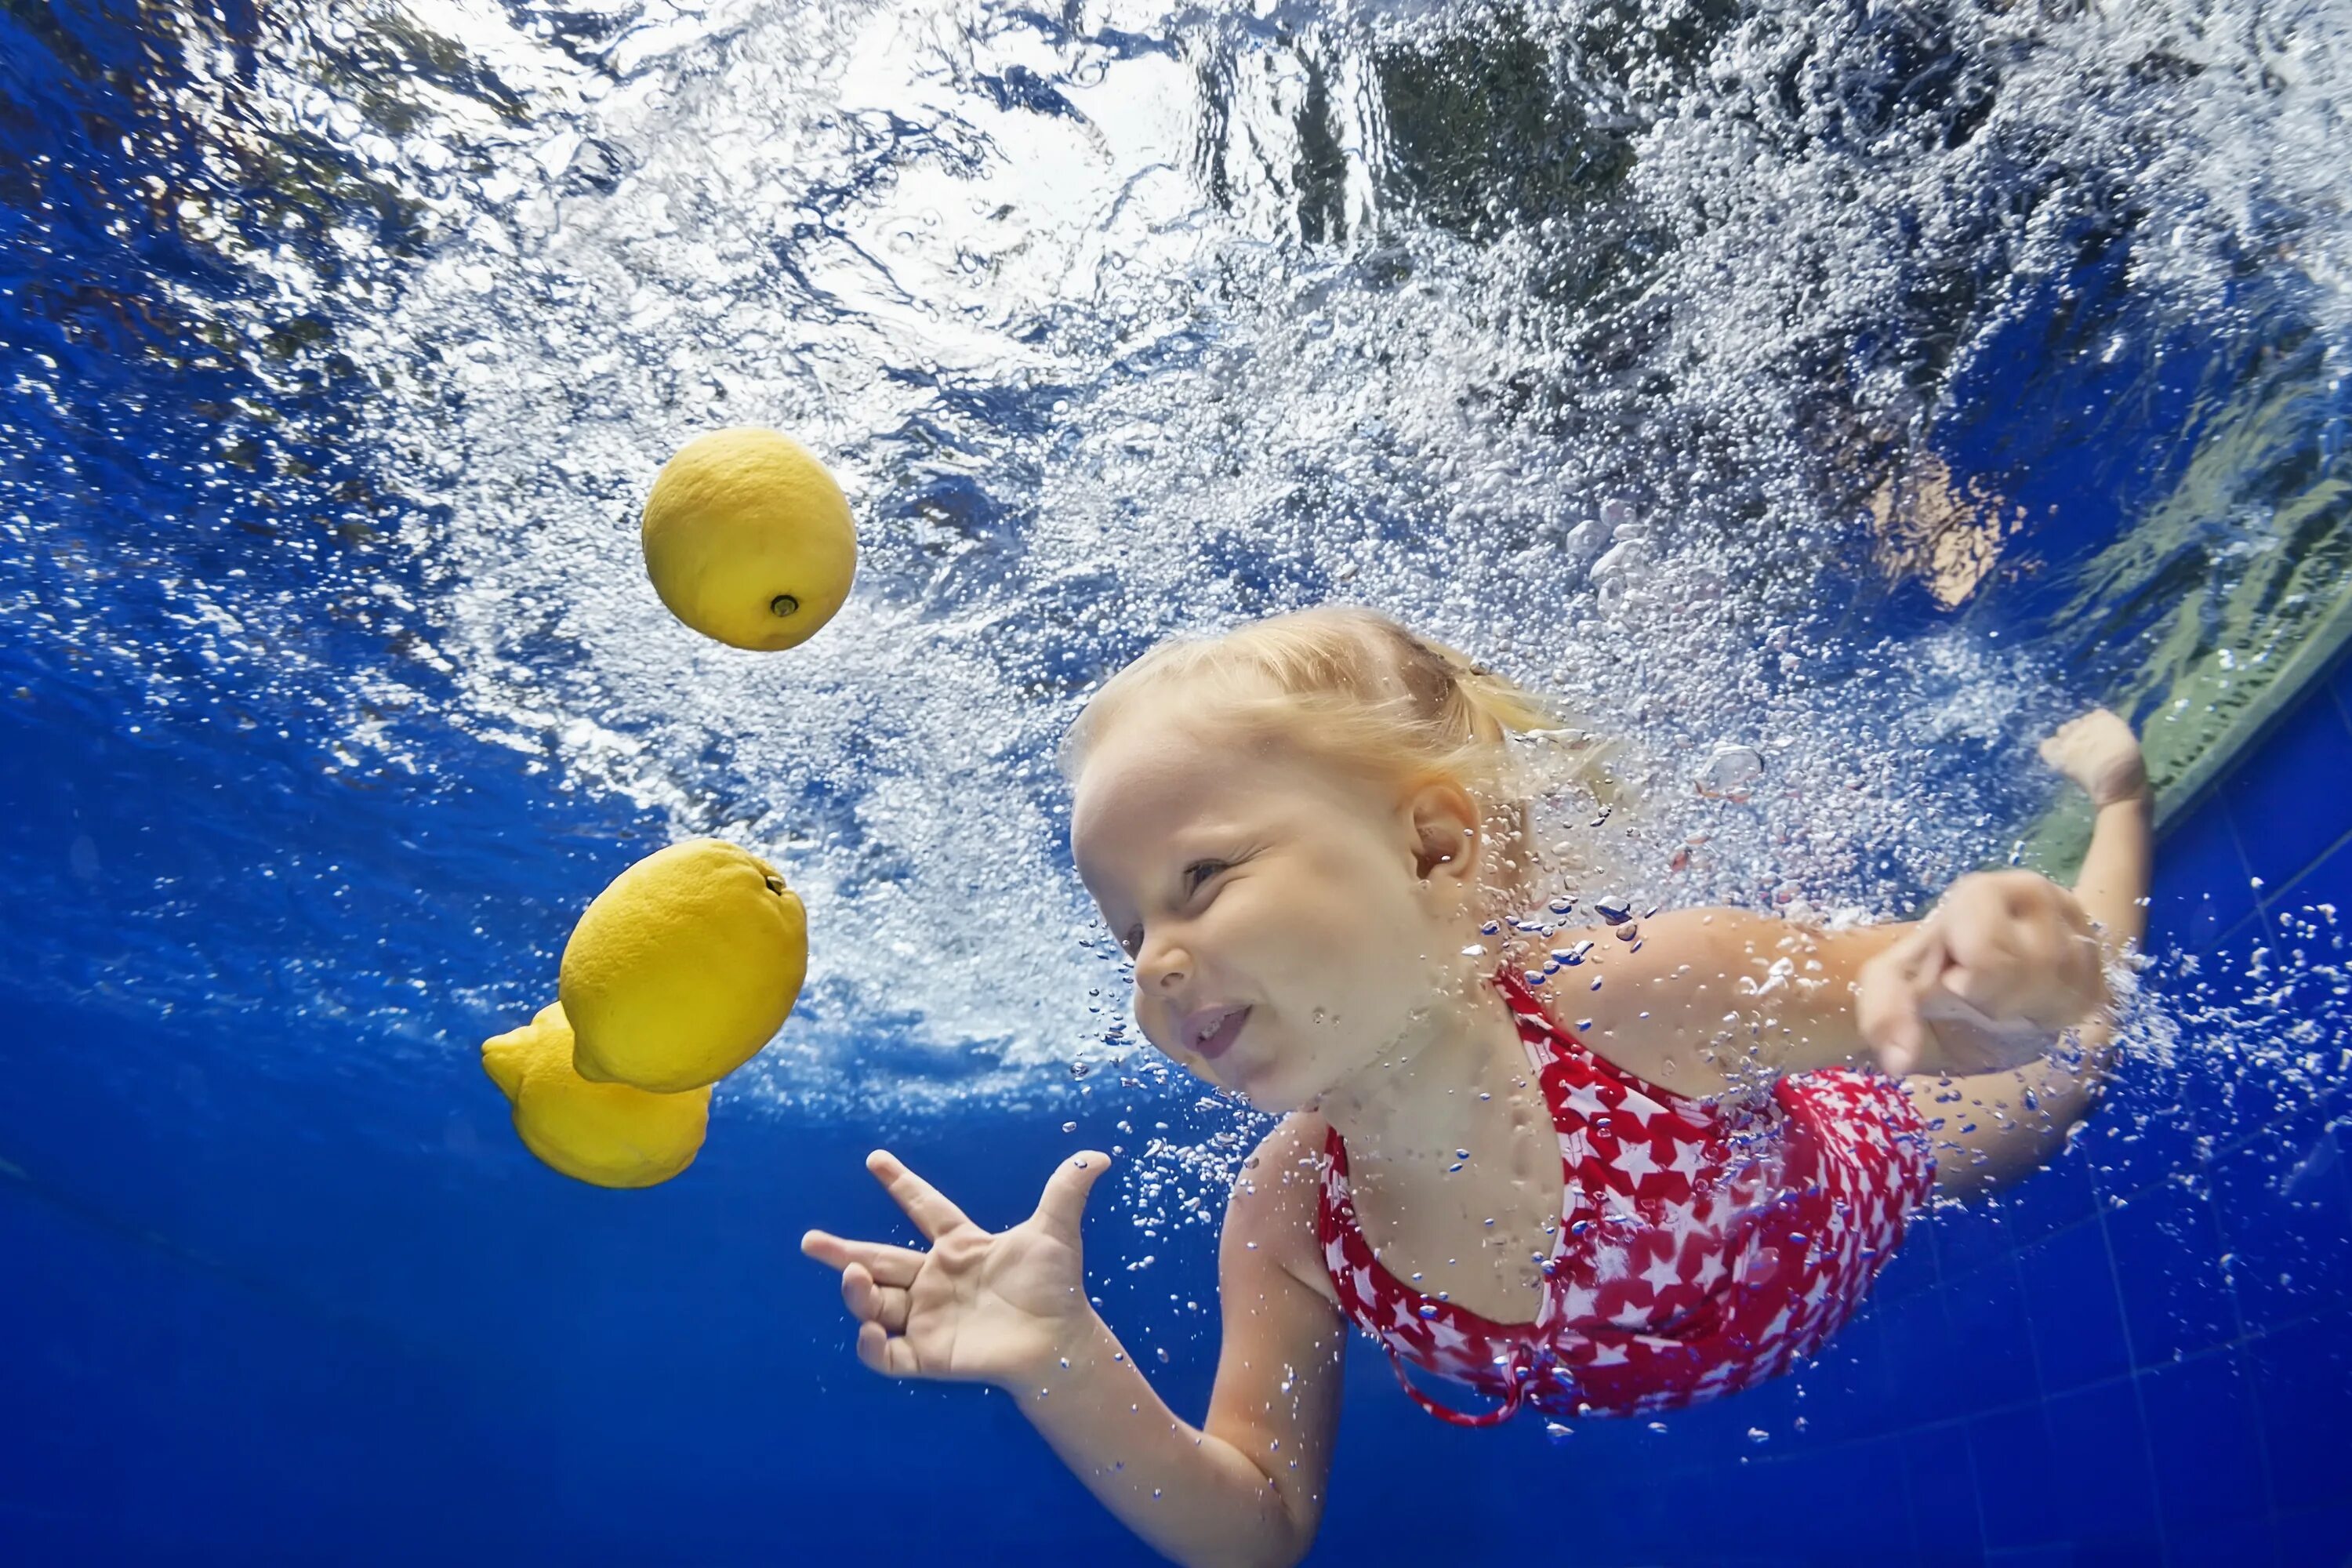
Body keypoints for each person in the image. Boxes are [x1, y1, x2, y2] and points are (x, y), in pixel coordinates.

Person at [800, 604, 2154, 1568]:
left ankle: (2120, 806)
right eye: (1126, 933)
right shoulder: (1285, 1223)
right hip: (1755, 1294)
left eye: (1200, 880)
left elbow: (1939, 1013)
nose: (1156, 962)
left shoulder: (1642, 992)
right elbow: (1255, 1525)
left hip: (1869, 1158)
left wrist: (2003, 973)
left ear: (1435, 843)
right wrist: (1063, 1364)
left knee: (2063, 1079)